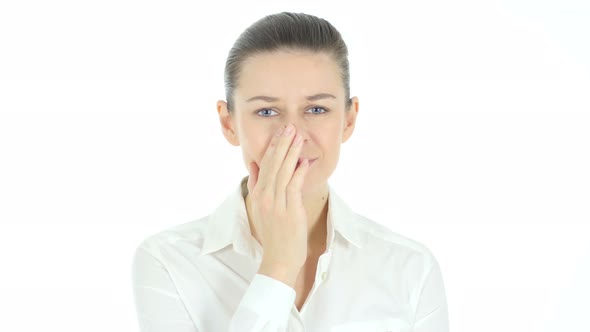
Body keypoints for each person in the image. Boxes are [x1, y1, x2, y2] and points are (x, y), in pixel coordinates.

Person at [132, 12, 449, 332]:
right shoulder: (168, 262)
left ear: (349, 120)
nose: (294, 136)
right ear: (229, 123)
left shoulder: (411, 269)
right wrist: (279, 267)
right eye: (266, 111)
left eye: (317, 109)